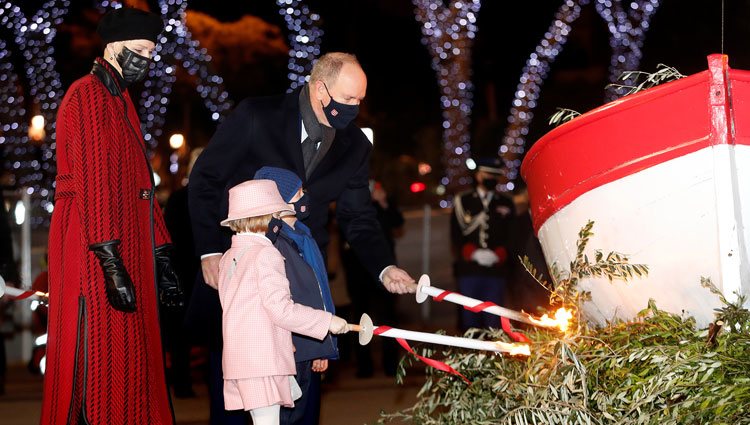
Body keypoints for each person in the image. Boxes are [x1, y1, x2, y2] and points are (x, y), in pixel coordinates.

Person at [188, 52, 416, 423]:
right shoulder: (256, 116)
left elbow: (358, 216)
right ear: (319, 87)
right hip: (242, 278)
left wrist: (384, 267)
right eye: (348, 99)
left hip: (303, 283)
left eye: (361, 100)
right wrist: (209, 252)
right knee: (240, 400)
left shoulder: (355, 145)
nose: (356, 108)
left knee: (302, 401)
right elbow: (205, 181)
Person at [42, 8, 183, 424]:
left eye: (151, 52)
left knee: (126, 357)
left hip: (123, 244)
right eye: (139, 49)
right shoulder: (87, 94)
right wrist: (110, 261)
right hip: (94, 245)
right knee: (97, 356)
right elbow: (94, 181)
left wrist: (161, 252)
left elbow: (142, 183)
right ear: (112, 46)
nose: (146, 59)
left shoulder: (118, 98)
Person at [217, 179, 348, 425]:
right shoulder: (266, 254)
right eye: (277, 214)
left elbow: (244, 310)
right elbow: (280, 309)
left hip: (240, 360)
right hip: (265, 361)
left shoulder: (228, 258)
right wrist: (327, 322)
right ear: (266, 217)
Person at [254, 166, 337, 424]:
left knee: (303, 416)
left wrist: (323, 344)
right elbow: (280, 302)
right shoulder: (272, 244)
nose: (305, 196)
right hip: (288, 349)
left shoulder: (304, 235)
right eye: (299, 192)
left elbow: (319, 292)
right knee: (287, 417)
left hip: (308, 343)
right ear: (280, 201)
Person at [340, 181, 404, 377]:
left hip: (383, 268)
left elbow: (397, 222)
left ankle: (391, 365)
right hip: (357, 270)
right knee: (360, 319)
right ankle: (364, 366)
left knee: (388, 317)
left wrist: (383, 201)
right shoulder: (346, 197)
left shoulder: (380, 200)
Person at [450, 157, 516, 331]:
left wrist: (500, 254)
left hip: (496, 271)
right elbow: (456, 234)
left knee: (494, 324)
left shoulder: (506, 202)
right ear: (478, 175)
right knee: (469, 322)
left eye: (495, 176)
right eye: (488, 174)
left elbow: (511, 234)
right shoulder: (463, 201)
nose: (491, 179)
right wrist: (472, 253)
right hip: (469, 270)